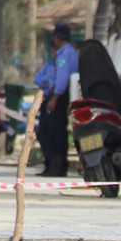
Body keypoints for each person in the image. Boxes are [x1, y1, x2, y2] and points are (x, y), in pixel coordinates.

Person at [36, 23, 78, 177]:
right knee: (55, 130)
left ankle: (55, 165)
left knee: (49, 131)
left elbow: (61, 80)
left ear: (57, 37)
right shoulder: (68, 53)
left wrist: (54, 99)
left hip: (58, 96)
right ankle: (54, 165)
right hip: (58, 95)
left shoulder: (64, 55)